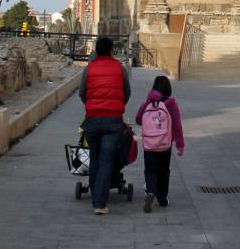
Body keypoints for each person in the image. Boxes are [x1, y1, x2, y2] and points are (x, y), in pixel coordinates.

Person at [78, 36, 130, 215]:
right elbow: (127, 92)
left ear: (96, 51)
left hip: (92, 119)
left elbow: (82, 93)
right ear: (111, 50)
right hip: (113, 120)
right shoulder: (119, 69)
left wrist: (91, 104)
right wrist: (117, 106)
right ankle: (99, 203)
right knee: (107, 161)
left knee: (95, 158)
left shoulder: (89, 68)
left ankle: (95, 194)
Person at [134, 74, 185, 213]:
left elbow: (138, 119)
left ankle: (151, 191)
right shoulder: (171, 105)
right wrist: (180, 145)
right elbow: (177, 126)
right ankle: (162, 198)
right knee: (164, 171)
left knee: (150, 170)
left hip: (149, 145)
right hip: (165, 144)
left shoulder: (147, 103)